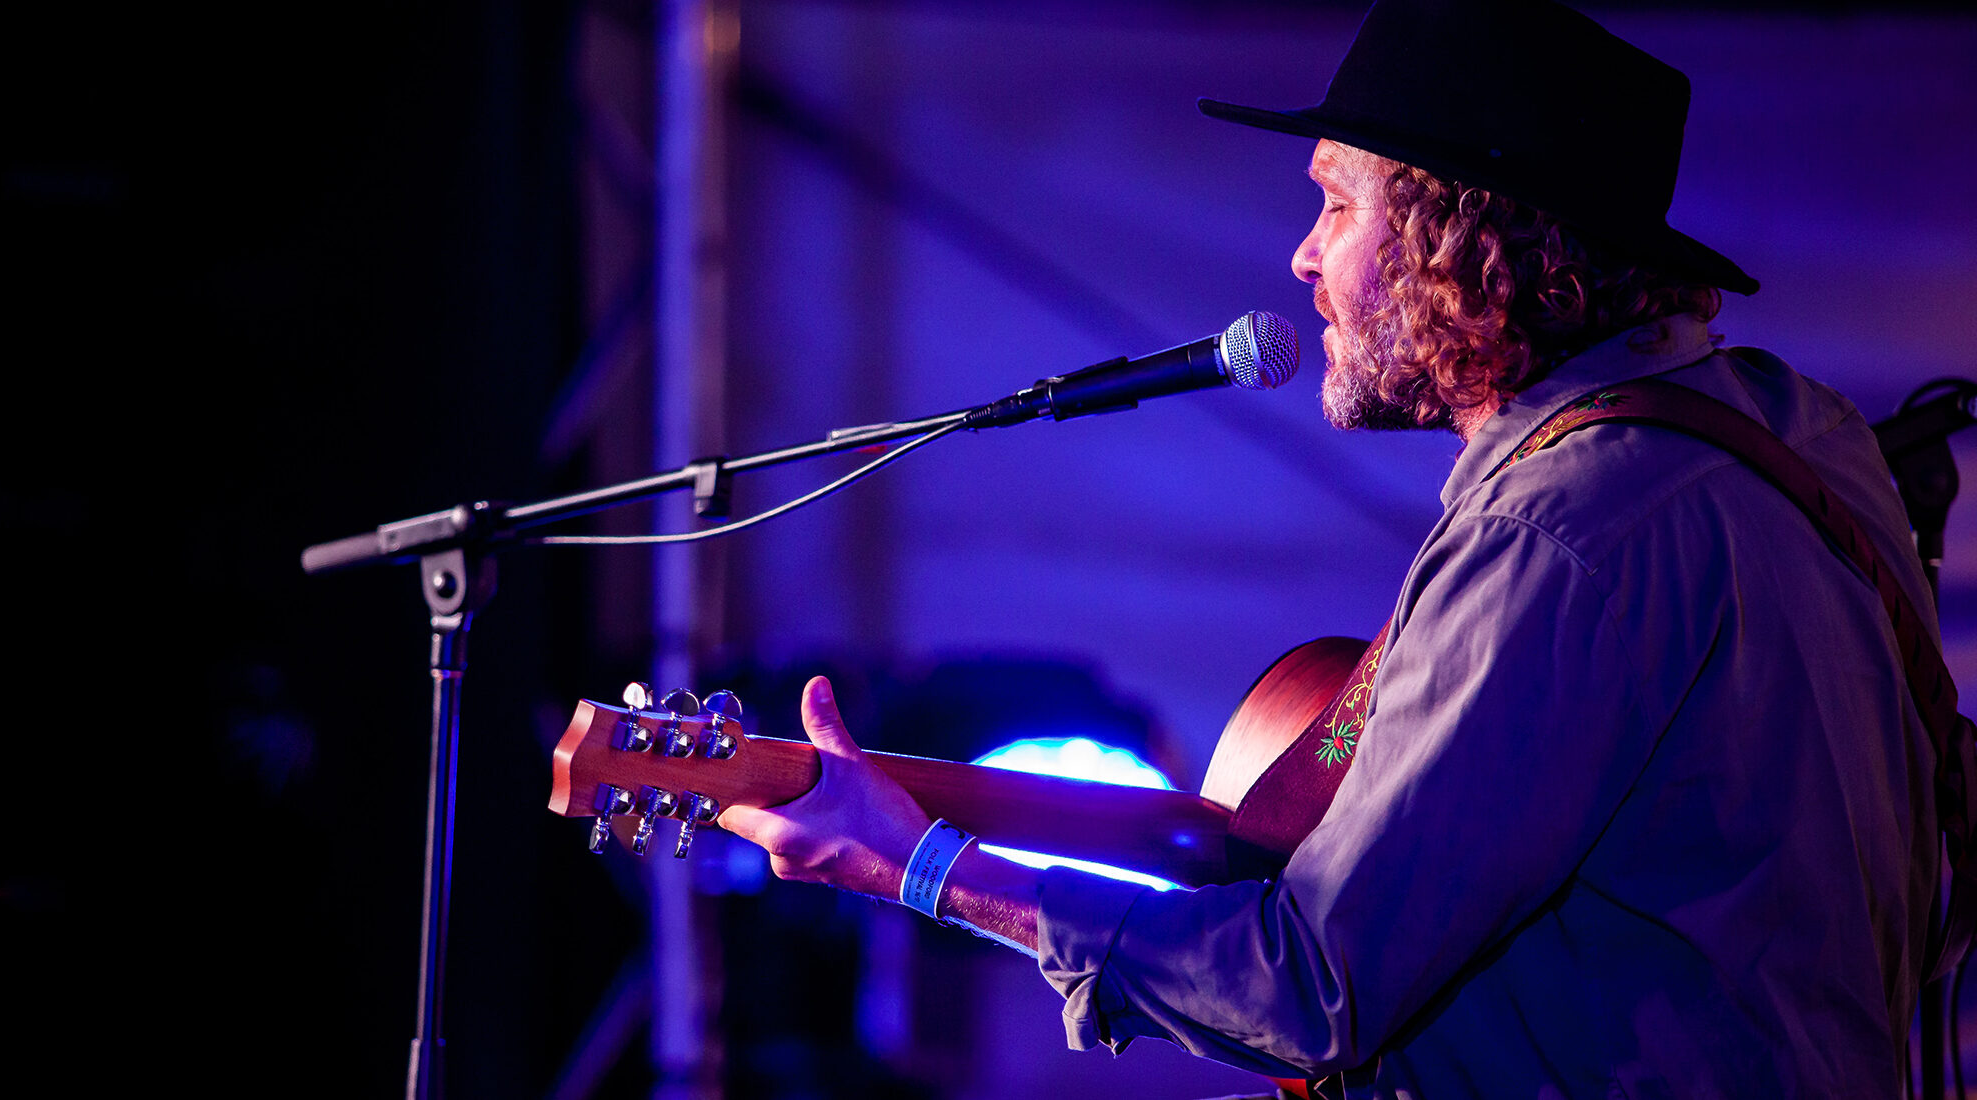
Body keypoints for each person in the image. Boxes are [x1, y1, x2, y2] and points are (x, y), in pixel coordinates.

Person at [718, 1, 1948, 1095]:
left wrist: (916, 865)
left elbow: (1307, 983)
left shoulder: (1558, 527)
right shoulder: (1799, 434)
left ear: (1462, 242)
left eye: (1335, 201)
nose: (1303, 254)